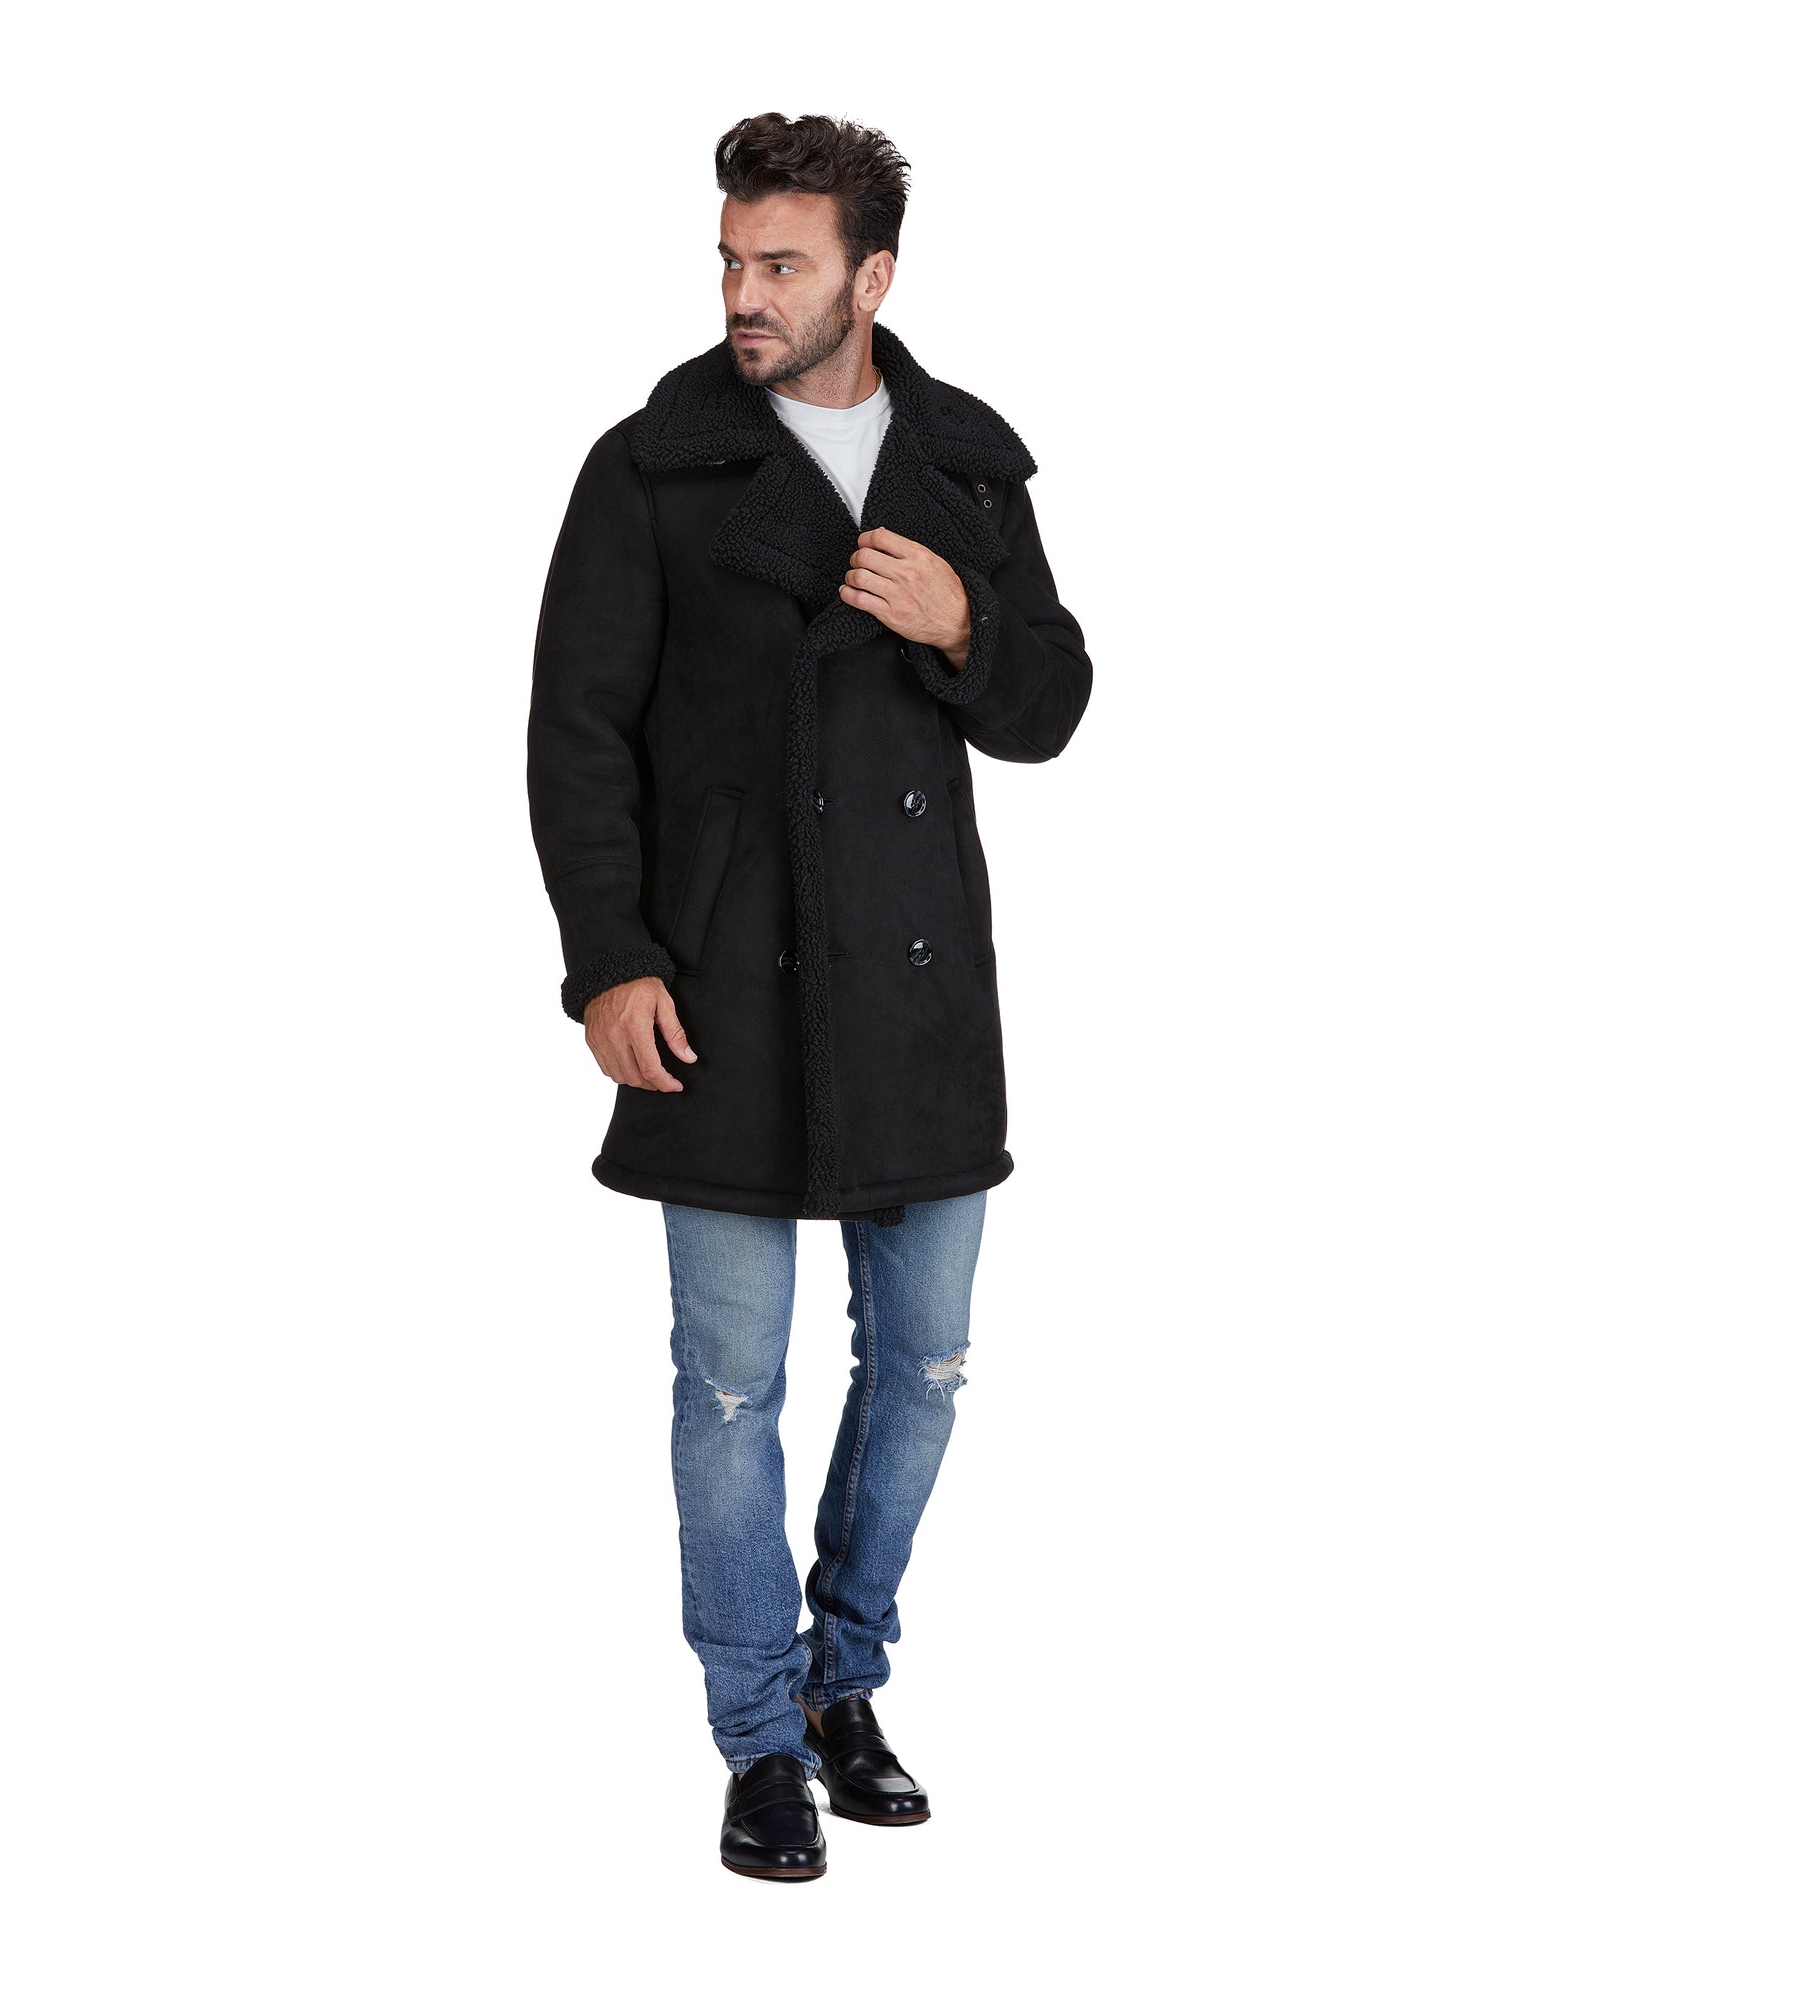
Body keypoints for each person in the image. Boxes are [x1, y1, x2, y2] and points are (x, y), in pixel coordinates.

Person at [526, 112, 1093, 1880]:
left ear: (874, 276)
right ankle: (760, 1737)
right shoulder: (653, 468)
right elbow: (576, 734)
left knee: (922, 1364)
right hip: (720, 992)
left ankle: (849, 1679)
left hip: (918, 997)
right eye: (730, 260)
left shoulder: (967, 470)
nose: (743, 293)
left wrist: (961, 625)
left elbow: (1053, 702)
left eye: (781, 263)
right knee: (727, 1387)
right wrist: (611, 958)